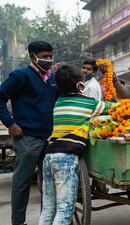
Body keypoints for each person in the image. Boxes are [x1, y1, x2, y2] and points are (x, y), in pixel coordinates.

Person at [39, 65, 112, 225]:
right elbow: (112, 108)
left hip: (49, 157)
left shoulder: (58, 102)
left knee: (49, 208)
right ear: (80, 85)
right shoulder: (87, 103)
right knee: (65, 210)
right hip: (66, 159)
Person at [0, 41, 58, 225]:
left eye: (50, 56)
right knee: (22, 184)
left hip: (48, 138)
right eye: (44, 56)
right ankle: (19, 222)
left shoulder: (52, 79)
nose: (48, 59)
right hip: (27, 138)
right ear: (32, 56)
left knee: (48, 185)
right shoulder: (21, 75)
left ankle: (46, 220)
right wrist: (10, 123)